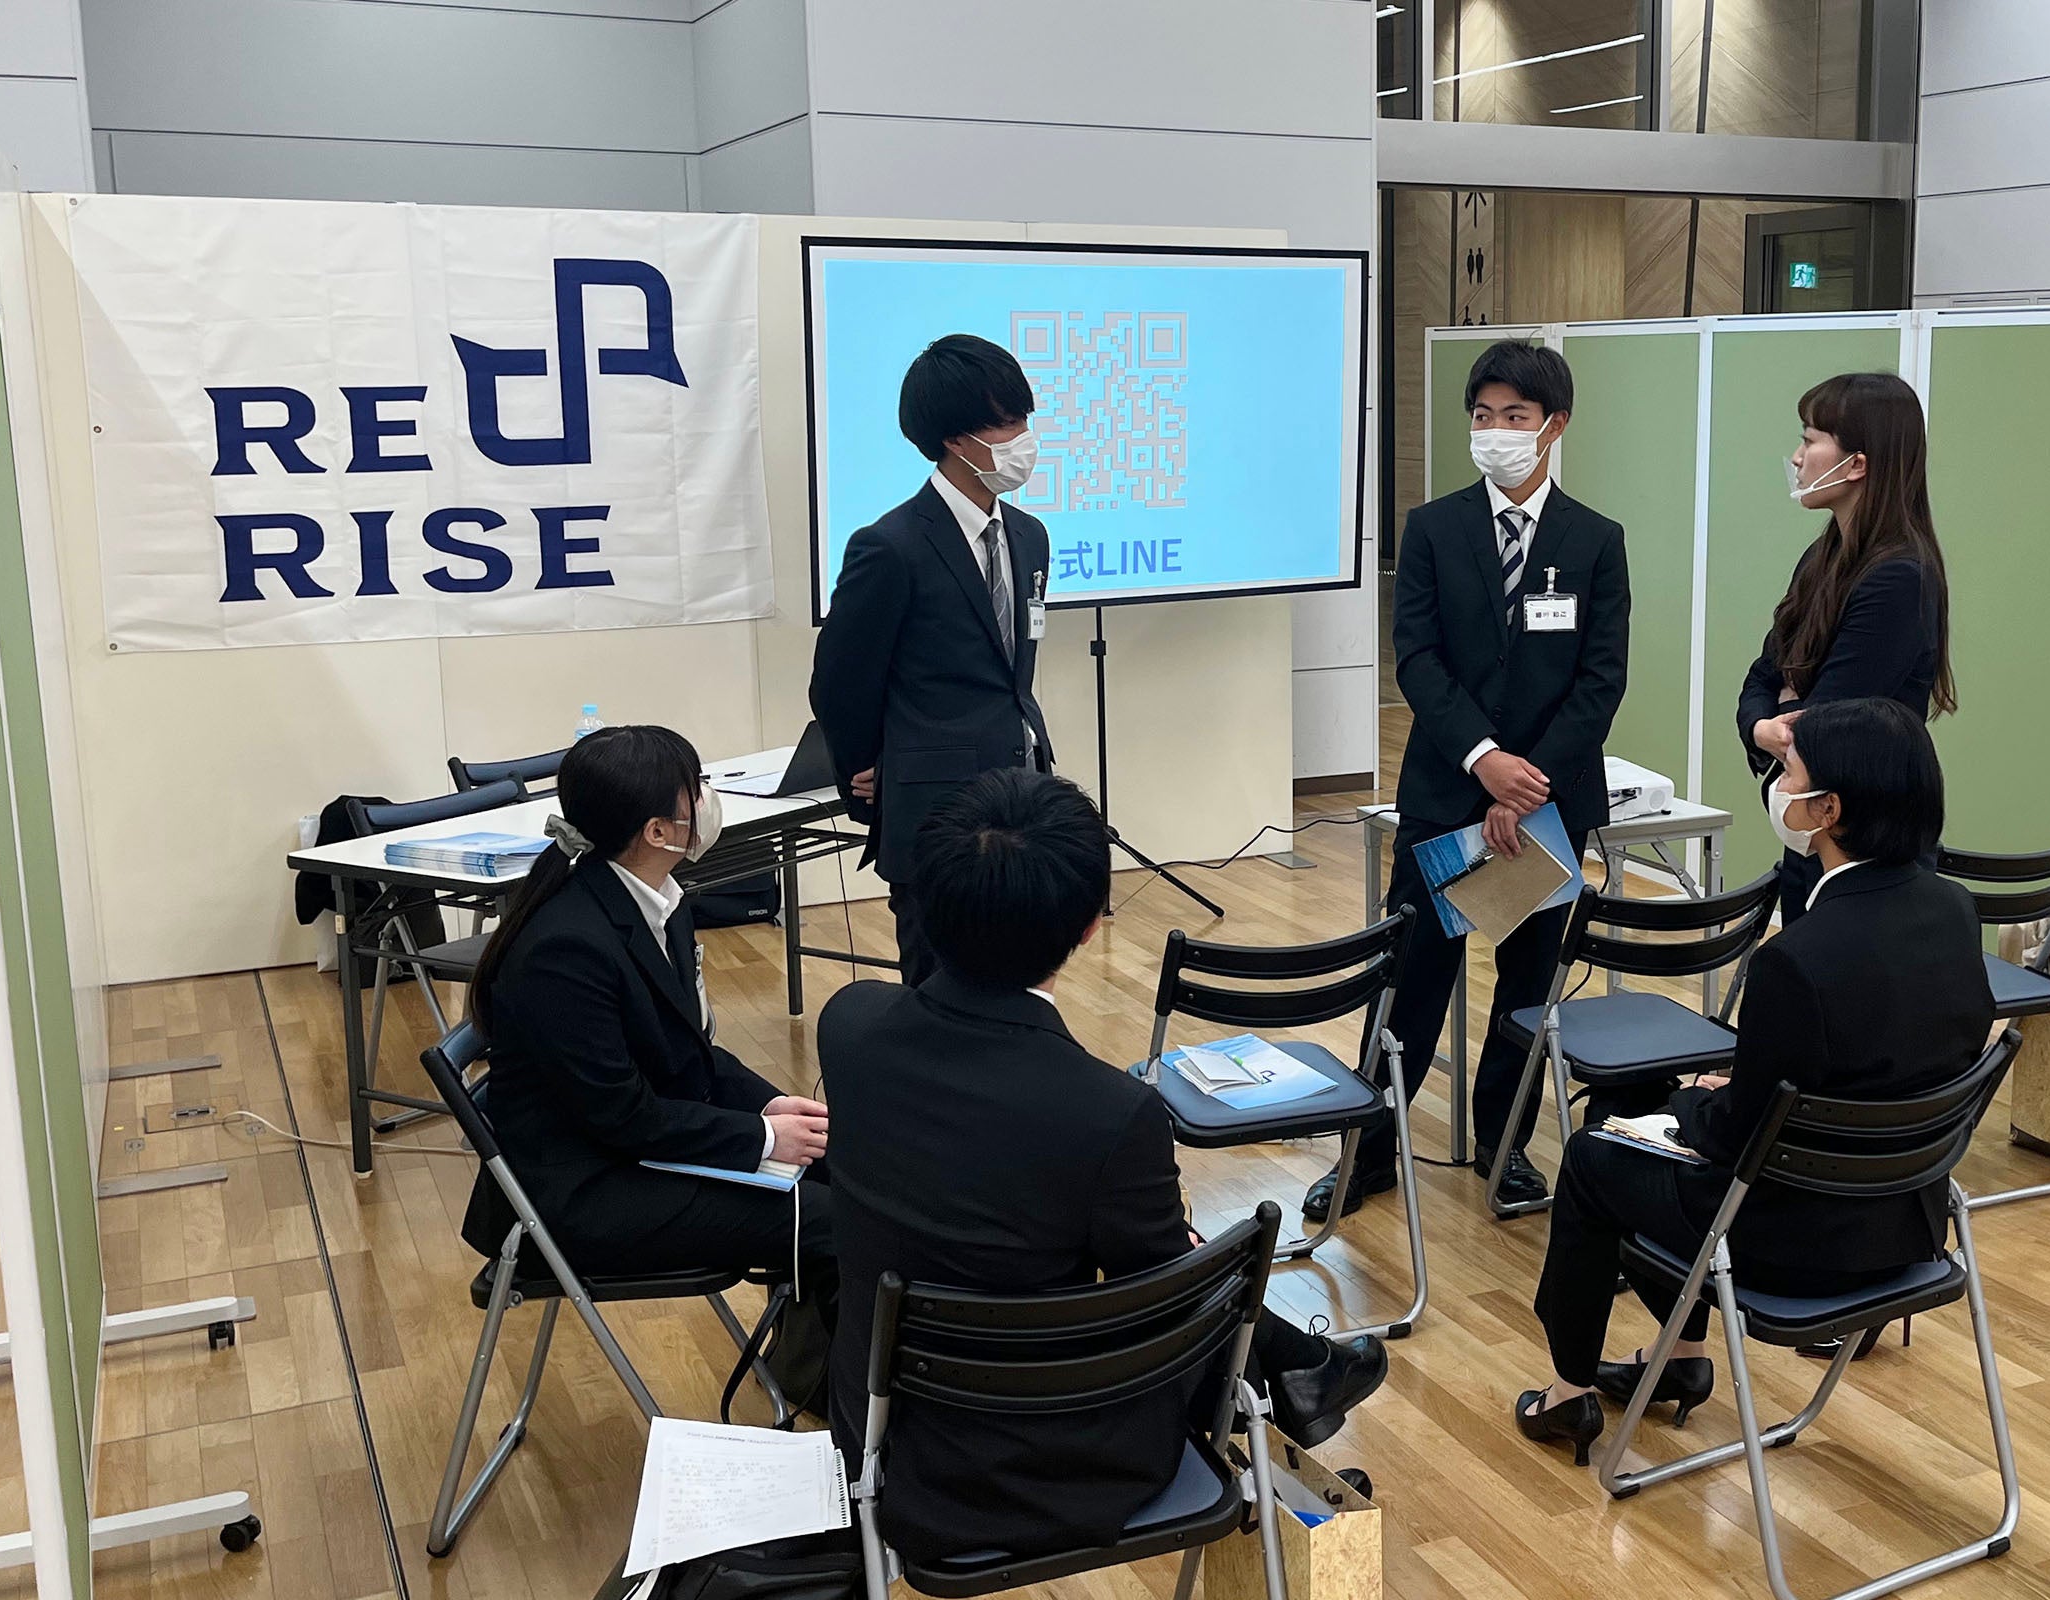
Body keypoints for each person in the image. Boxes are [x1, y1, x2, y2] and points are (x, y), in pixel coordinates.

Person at [819, 767, 1388, 1561]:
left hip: (878, 1430)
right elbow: (1166, 1308)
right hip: (1052, 1465)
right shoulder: (1109, 1113)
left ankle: (1305, 1371)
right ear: (1090, 927)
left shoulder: (849, 1023)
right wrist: (1197, 1259)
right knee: (1209, 1280)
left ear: (922, 898)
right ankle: (1302, 1374)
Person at [1512, 698, 1995, 1462]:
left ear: (1828, 810)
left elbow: (1736, 1143)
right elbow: (1891, 1050)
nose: (1778, 786)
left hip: (1791, 1246)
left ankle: (1568, 1392)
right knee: (1655, 1121)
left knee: (1596, 1153)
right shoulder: (1954, 910)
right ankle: (1679, 1357)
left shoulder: (1794, 959)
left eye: (1789, 773)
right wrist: (1734, 1095)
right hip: (1906, 1222)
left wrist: (1694, 1104)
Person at [1324, 339, 1631, 1221]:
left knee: (1526, 986)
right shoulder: (1432, 528)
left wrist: (1527, 784)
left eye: (1515, 416)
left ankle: (1506, 1146)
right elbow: (1417, 660)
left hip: (1547, 804)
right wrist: (1484, 762)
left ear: (1553, 426)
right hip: (1447, 791)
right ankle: (1367, 1151)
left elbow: (1601, 679)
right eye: (1483, 415)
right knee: (1411, 977)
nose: (1496, 430)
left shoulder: (1595, 540)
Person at [461, 725, 838, 1384]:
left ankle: (815, 1373)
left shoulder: (658, 900)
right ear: (658, 831)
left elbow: (689, 1052)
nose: (708, 799)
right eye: (697, 789)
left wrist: (771, 1106)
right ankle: (833, 1389)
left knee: (849, 1163)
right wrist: (761, 1138)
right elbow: (623, 1116)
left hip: (634, 1148)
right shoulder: (565, 949)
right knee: (841, 1220)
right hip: (585, 1192)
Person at [810, 333, 1056, 987]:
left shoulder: (1030, 535)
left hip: (1023, 797)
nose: (1022, 438)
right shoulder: (890, 546)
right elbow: (839, 681)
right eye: (1005, 423)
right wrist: (867, 768)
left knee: (1020, 974)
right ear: (954, 438)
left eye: (1024, 418)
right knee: (937, 984)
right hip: (935, 812)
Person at [1739, 371, 1955, 920]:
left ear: (1856, 464)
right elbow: (1764, 674)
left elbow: (1823, 724)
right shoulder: (1823, 557)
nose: (1796, 458)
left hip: (1866, 846)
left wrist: (1790, 707)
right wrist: (1762, 726)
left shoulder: (1899, 576)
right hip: (1813, 831)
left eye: (1809, 441)